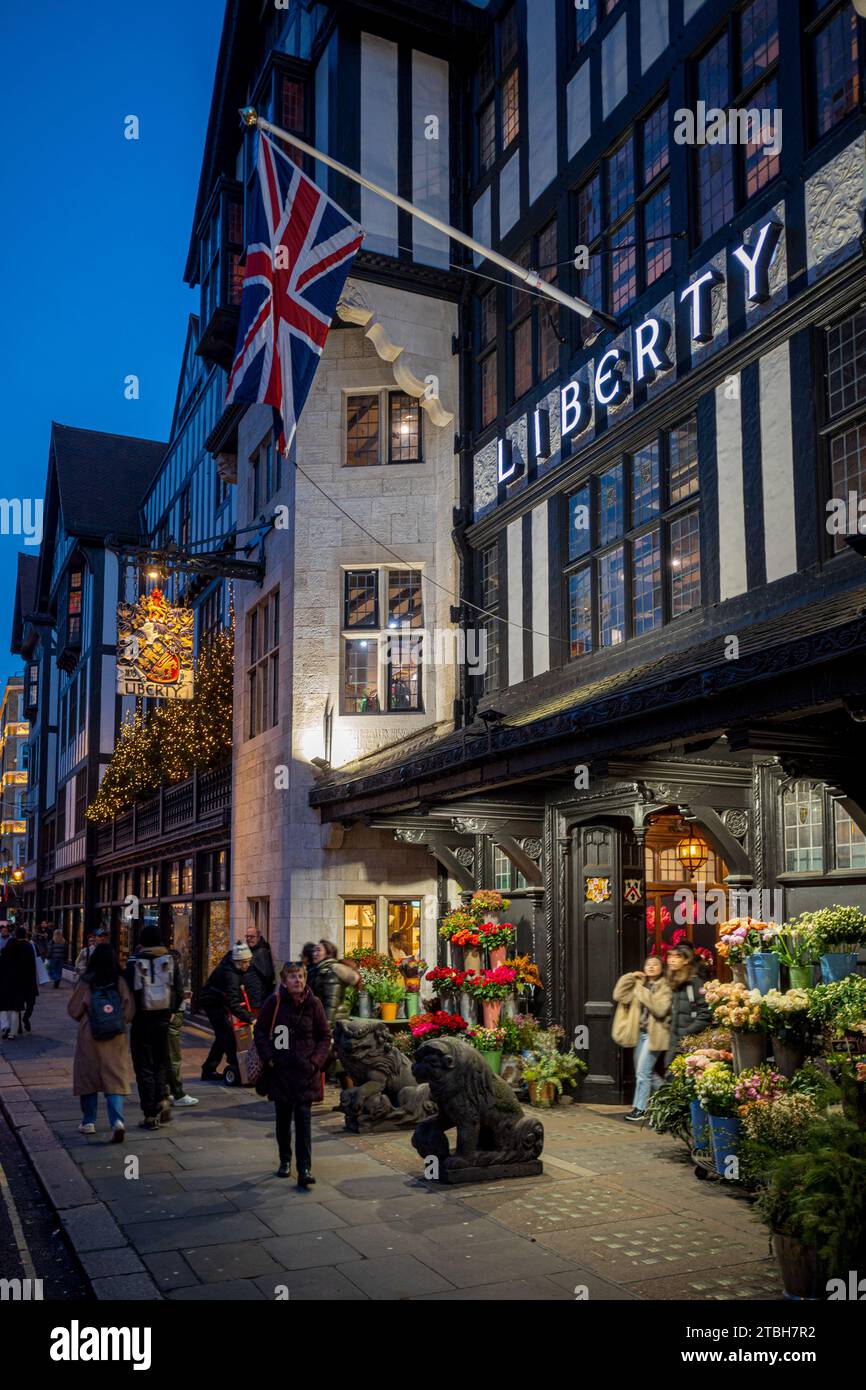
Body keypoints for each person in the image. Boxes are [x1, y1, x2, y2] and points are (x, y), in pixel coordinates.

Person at [253, 960, 330, 1186]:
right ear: (284, 980)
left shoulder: (314, 1004)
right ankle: (284, 1160)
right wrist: (269, 1057)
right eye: (293, 976)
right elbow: (259, 1031)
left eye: (301, 976)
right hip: (281, 1071)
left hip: (306, 1073)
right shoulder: (274, 1002)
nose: (298, 980)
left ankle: (304, 1168)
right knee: (283, 1121)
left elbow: (324, 1036)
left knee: (304, 1122)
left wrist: (315, 1062)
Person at [68, 943, 134, 1142]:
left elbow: (73, 1009)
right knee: (115, 1078)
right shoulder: (120, 980)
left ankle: (88, 1122)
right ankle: (117, 1122)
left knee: (88, 1077)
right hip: (115, 1035)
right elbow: (129, 1011)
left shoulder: (87, 981)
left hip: (90, 1034)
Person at [125, 926, 184, 1129]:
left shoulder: (134, 961)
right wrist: (171, 1011)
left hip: (141, 1020)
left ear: (142, 941)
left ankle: (150, 1114)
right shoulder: (170, 960)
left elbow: (127, 990)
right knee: (160, 1062)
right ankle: (163, 1098)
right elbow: (179, 989)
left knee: (144, 1067)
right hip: (163, 1019)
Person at [612, 956, 672, 1123]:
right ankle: (673, 1096)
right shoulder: (639, 985)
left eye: (656, 964)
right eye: (648, 964)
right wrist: (630, 977)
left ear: (661, 968)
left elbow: (660, 1010)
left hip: (655, 1035)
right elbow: (619, 995)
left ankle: (640, 1109)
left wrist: (642, 991)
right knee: (647, 1073)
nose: (651, 967)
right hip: (639, 1034)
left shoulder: (665, 986)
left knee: (642, 1073)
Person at [199, 942, 254, 1081]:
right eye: (246, 962)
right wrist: (249, 1018)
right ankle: (236, 1064)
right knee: (227, 1034)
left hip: (218, 999)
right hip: (212, 1002)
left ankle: (208, 1069)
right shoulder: (231, 974)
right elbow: (233, 1002)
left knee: (222, 1036)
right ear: (239, 962)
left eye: (249, 961)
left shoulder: (234, 965)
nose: (248, 964)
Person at [664, 942, 714, 1072]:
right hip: (674, 1041)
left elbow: (706, 1013)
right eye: (670, 957)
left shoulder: (695, 982)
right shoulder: (673, 982)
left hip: (690, 1043)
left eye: (677, 957)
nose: (672, 960)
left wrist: (686, 1031)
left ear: (686, 960)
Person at [166, 946, 198, 1108]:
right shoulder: (172, 968)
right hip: (172, 1015)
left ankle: (167, 1091)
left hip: (159, 1017)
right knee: (174, 1057)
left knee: (164, 1056)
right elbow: (178, 992)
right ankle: (177, 1093)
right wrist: (173, 1011)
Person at [311, 940, 360, 1028]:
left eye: (318, 950)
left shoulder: (331, 972)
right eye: (314, 951)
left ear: (328, 953)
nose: (314, 953)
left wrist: (325, 1028)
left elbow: (331, 1003)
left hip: (334, 1022)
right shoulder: (320, 970)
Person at [0, 927, 37, 1039]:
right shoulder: (28, 947)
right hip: (22, 981)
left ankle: (5, 1026)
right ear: (25, 935)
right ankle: (13, 1032)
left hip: (7, 981)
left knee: (4, 1006)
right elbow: (32, 966)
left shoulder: (10, 946)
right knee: (17, 1008)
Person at [243, 922, 276, 1012]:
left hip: (257, 999)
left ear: (258, 938)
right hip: (251, 997)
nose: (249, 939)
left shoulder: (261, 952)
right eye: (247, 936)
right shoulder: (251, 951)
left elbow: (268, 975)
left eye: (252, 937)